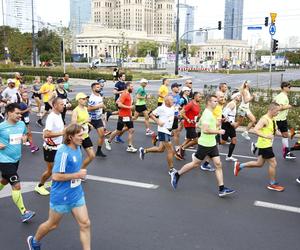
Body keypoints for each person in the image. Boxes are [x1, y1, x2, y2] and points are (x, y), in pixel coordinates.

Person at [27, 124, 91, 250]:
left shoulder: (77, 147)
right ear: (71, 137)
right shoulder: (63, 152)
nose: (83, 138)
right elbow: (55, 176)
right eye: (79, 135)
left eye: (83, 134)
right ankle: (34, 241)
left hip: (76, 193)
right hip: (61, 195)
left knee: (85, 224)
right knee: (52, 225)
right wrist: (77, 174)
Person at [170, 95, 235, 197]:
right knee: (195, 164)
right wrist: (219, 131)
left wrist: (219, 122)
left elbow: (199, 125)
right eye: (214, 101)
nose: (216, 103)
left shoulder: (210, 113)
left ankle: (222, 189)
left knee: (218, 164)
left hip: (212, 144)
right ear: (209, 102)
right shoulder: (207, 114)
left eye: (217, 101)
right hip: (204, 144)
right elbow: (205, 130)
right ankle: (177, 174)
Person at [234, 102, 285, 192]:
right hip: (265, 145)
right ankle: (272, 184)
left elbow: (274, 131)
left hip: (267, 144)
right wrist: (266, 136)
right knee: (273, 163)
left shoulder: (273, 119)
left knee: (259, 164)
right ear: (271, 110)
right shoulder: (264, 119)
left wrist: (285, 135)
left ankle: (240, 166)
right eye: (277, 111)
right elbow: (255, 130)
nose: (278, 113)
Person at [0, 103, 35, 222]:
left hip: (16, 159)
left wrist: (25, 138)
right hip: (4, 160)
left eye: (21, 113)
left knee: (4, 180)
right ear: (9, 113)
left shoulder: (21, 125)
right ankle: (24, 212)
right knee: (16, 184)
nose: (20, 116)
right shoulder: (1, 126)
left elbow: (25, 133)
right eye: (17, 113)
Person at [35, 97, 65, 196]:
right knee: (50, 171)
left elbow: (59, 130)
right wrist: (62, 133)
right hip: (50, 148)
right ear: (55, 105)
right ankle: (40, 186)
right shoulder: (51, 117)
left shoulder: (59, 114)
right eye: (61, 104)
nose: (63, 106)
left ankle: (57, 184)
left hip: (58, 146)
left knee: (60, 168)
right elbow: (47, 134)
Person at [139, 96, 176, 174]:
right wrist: (157, 121)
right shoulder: (161, 108)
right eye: (171, 100)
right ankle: (171, 169)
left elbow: (170, 119)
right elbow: (151, 114)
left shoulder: (172, 107)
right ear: (166, 101)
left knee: (160, 149)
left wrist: (171, 130)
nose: (173, 101)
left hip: (168, 131)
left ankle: (144, 150)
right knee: (171, 151)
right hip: (163, 131)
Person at [105, 82, 137, 153]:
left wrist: (130, 112)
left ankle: (129, 146)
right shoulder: (124, 94)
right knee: (118, 131)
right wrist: (129, 107)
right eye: (131, 86)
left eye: (132, 86)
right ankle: (108, 141)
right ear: (127, 87)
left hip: (128, 116)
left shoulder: (128, 94)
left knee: (131, 130)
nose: (132, 88)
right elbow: (119, 104)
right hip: (122, 116)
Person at [72, 93, 95, 169]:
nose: (85, 100)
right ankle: (74, 173)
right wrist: (85, 121)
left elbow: (86, 121)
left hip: (85, 135)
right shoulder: (76, 111)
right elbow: (73, 125)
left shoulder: (85, 108)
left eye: (86, 99)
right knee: (77, 158)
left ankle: (82, 169)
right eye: (83, 99)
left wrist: (89, 125)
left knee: (92, 155)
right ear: (78, 100)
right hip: (77, 137)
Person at [273, 81, 296, 160]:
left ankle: (286, 152)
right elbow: (280, 107)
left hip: (282, 119)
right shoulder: (282, 96)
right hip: (277, 119)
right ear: (284, 88)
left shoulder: (282, 96)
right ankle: (257, 146)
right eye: (289, 87)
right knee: (270, 136)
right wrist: (289, 106)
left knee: (285, 135)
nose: (290, 88)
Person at [176, 92, 201, 160]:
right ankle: (182, 149)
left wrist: (199, 119)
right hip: (189, 124)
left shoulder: (197, 104)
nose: (200, 98)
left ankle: (178, 152)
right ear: (195, 97)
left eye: (200, 97)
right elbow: (181, 112)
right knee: (196, 141)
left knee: (189, 139)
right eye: (199, 97)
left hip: (193, 124)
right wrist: (188, 119)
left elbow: (197, 114)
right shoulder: (190, 104)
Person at [220, 90, 241, 162]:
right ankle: (210, 143)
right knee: (223, 142)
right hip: (227, 124)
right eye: (238, 96)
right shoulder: (232, 104)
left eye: (239, 96)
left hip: (230, 125)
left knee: (234, 139)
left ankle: (229, 156)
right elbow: (224, 113)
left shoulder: (234, 103)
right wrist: (231, 122)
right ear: (234, 96)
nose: (239, 97)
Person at [88, 82, 107, 157]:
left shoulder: (99, 96)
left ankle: (98, 151)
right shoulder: (92, 98)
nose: (99, 88)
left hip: (98, 119)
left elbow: (101, 105)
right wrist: (99, 106)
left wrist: (103, 111)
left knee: (102, 135)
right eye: (97, 87)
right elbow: (89, 109)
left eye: (99, 87)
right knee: (83, 135)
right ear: (93, 88)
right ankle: (75, 149)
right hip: (91, 120)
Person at [111, 72, 127, 143]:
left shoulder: (124, 84)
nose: (124, 77)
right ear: (120, 77)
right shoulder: (118, 84)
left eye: (125, 76)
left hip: (124, 102)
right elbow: (114, 92)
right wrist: (122, 91)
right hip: (119, 102)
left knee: (123, 119)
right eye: (123, 76)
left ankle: (117, 136)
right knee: (122, 118)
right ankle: (116, 136)